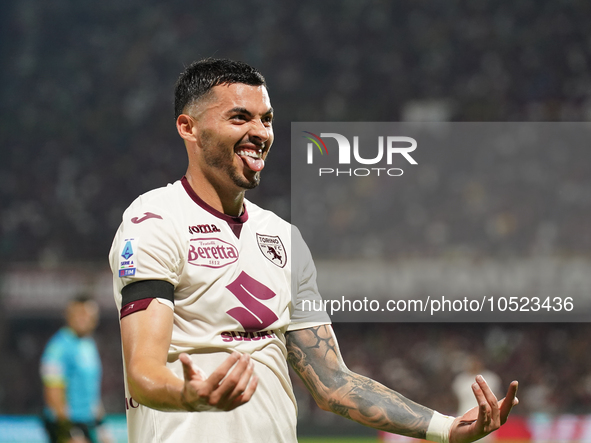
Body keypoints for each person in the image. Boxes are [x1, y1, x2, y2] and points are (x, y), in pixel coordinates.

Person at [109, 58, 518, 443]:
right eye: (240, 117)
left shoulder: (284, 238)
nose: (261, 132)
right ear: (188, 127)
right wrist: (192, 395)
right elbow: (143, 371)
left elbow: (333, 383)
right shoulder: (154, 222)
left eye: (266, 119)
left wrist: (446, 428)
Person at [40, 295, 112, 443]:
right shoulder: (58, 348)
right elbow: (53, 392)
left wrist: (101, 426)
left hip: (87, 423)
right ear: (68, 316)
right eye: (79, 314)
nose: (83, 319)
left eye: (87, 314)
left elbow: (92, 391)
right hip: (66, 425)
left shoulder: (89, 344)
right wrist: (69, 431)